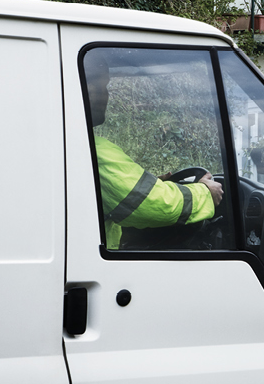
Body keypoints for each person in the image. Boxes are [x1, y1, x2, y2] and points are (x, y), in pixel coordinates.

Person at [86, 69, 223, 250]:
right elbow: (150, 204)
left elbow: (125, 198)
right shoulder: (91, 150)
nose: (106, 94)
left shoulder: (75, 144)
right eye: (102, 86)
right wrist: (205, 194)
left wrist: (154, 185)